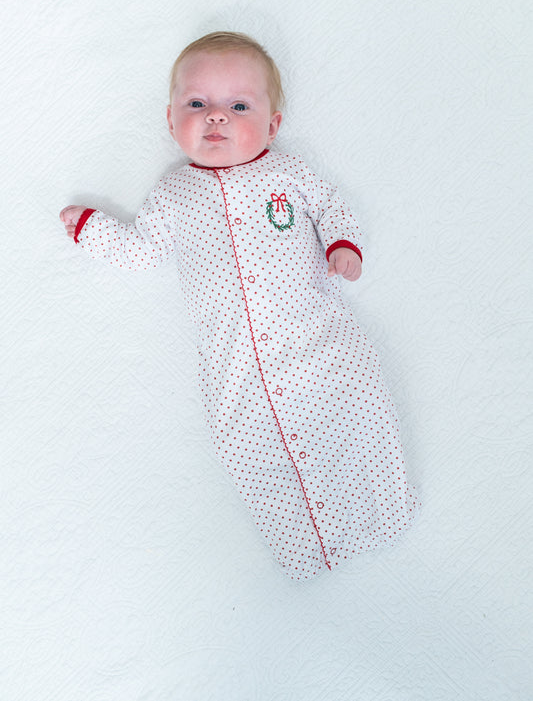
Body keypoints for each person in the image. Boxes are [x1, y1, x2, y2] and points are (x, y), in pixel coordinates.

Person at [60, 31, 419, 580]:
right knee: (252, 455)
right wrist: (93, 229)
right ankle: (308, 550)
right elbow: (141, 251)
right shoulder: (174, 192)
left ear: (272, 125)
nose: (217, 118)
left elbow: (331, 206)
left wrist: (342, 245)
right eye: (197, 104)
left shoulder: (287, 175)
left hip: (317, 341)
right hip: (237, 370)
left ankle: (386, 511)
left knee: (356, 413)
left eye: (239, 106)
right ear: (170, 118)